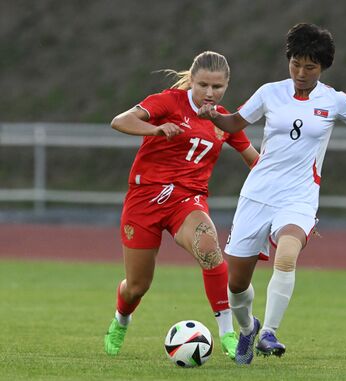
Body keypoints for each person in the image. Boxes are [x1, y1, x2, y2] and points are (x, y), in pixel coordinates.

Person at [198, 24, 346, 365]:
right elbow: (236, 123)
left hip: (299, 197)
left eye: (309, 67)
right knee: (236, 286)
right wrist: (213, 116)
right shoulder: (270, 92)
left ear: (323, 67)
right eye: (295, 63)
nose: (300, 72)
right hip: (257, 194)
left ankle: (268, 332)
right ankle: (248, 327)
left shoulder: (334, 100)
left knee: (287, 255)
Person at [103, 51, 260, 360]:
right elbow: (119, 121)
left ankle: (227, 332)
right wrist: (156, 129)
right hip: (144, 199)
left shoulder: (224, 120)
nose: (210, 93)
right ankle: (121, 319)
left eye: (217, 87)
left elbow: (256, 161)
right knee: (137, 286)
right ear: (192, 81)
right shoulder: (168, 102)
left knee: (208, 246)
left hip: (186, 201)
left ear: (227, 84)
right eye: (203, 85)